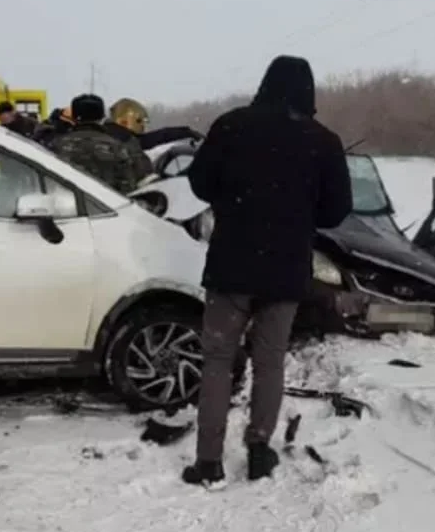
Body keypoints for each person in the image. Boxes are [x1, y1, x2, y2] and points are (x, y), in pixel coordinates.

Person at [182, 55, 353, 489]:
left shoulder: (230, 126)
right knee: (270, 361)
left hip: (230, 265)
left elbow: (198, 182)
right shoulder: (323, 141)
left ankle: (208, 462)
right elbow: (337, 212)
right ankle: (260, 450)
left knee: (218, 361)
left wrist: (236, 194)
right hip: (285, 268)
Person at [49, 94, 140, 193]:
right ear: (101, 117)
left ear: (74, 117)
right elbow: (128, 186)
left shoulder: (56, 145)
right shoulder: (116, 147)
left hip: (67, 205)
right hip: (107, 205)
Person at [104, 98, 154, 185]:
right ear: (125, 120)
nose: (142, 125)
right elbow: (144, 174)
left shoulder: (103, 135)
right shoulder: (128, 141)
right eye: (139, 121)